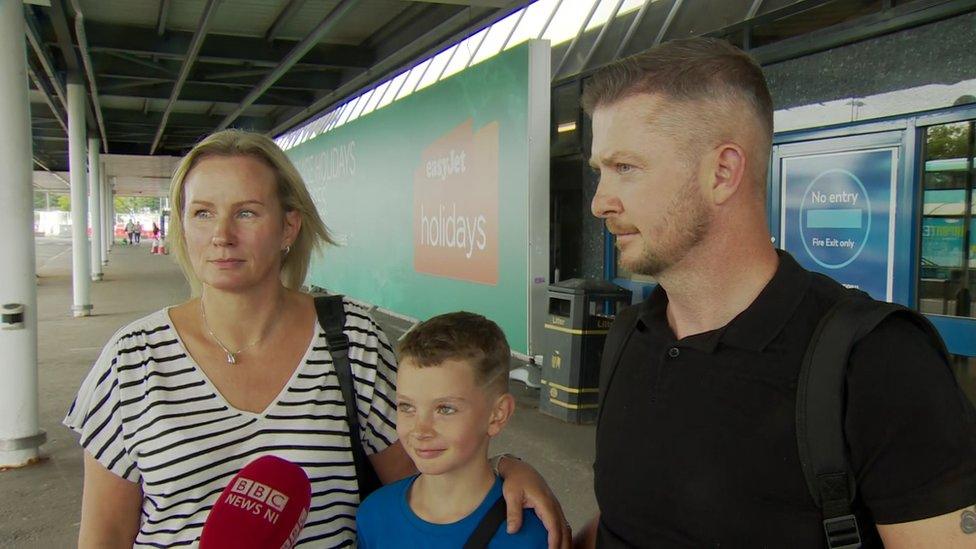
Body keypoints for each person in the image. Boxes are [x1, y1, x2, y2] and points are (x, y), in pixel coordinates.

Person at [64, 130, 570, 548]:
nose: (221, 234)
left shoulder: (351, 340)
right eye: (202, 213)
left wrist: (505, 468)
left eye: (245, 212)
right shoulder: (132, 361)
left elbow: (429, 483)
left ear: (289, 226)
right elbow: (104, 535)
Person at [575, 38, 976, 548]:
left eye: (625, 167)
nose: (599, 203)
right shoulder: (631, 334)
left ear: (722, 172)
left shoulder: (878, 362)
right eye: (599, 172)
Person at [357, 312, 548, 548]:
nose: (420, 429)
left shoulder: (530, 536)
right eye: (407, 406)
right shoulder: (373, 515)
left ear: (498, 414)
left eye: (445, 409)